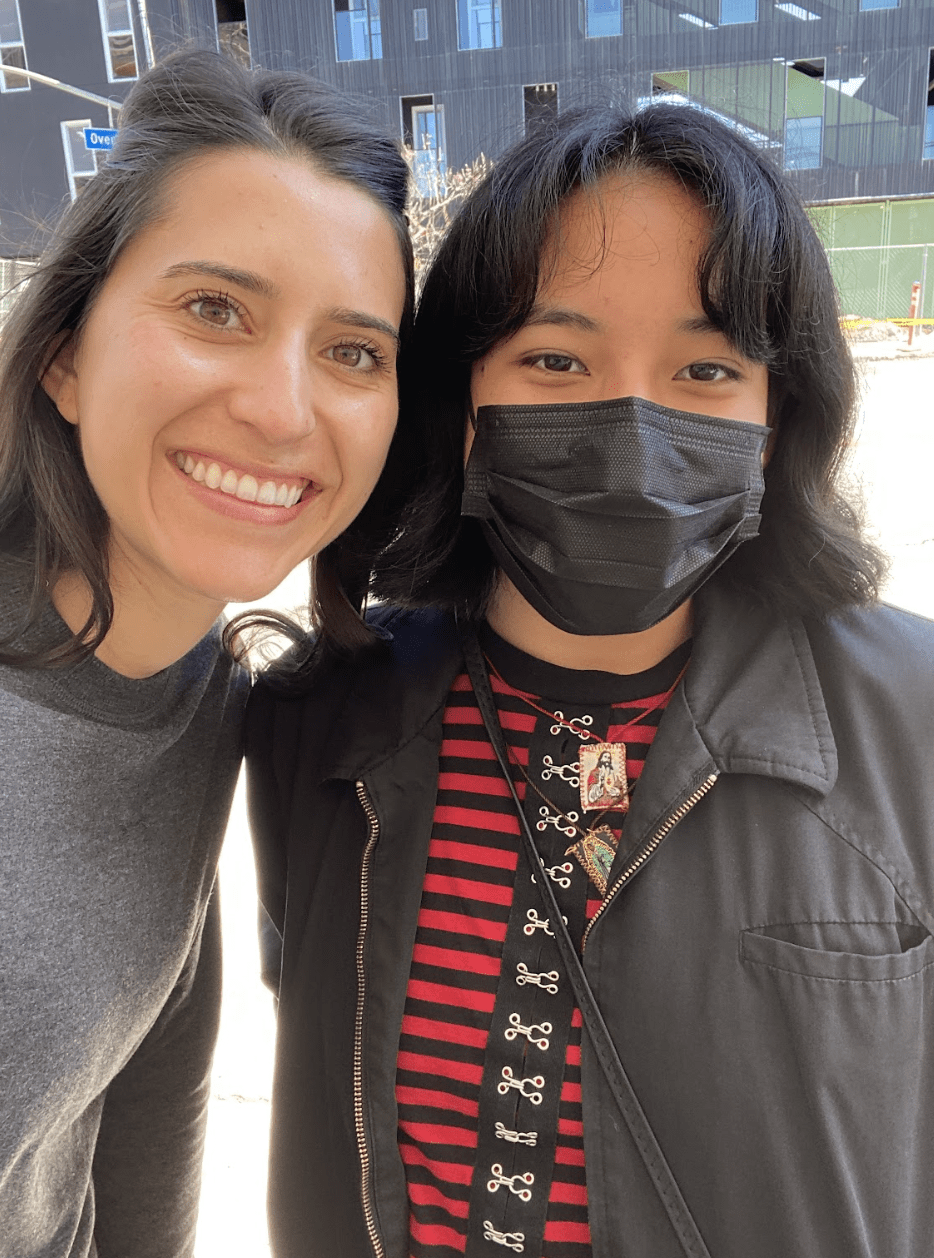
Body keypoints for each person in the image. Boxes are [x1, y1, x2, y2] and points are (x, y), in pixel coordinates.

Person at [247, 102, 934, 1258]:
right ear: (464, 408)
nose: (631, 427)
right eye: (554, 359)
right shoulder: (319, 718)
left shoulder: (910, 723)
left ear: (772, 426)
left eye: (706, 368)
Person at [0, 47, 413, 1258]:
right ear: (67, 353)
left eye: (352, 350)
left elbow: (139, 1097)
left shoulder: (201, 688)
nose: (284, 410)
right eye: (214, 310)